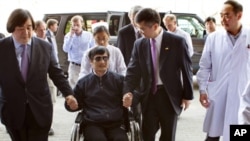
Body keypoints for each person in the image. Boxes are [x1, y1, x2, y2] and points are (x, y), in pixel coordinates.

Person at [0, 8, 78, 141]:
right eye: (20, 28)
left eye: (29, 27)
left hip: (40, 110)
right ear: (12, 28)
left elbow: (56, 72)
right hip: (12, 110)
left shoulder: (44, 47)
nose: (26, 33)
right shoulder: (2, 48)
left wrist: (69, 94)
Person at [122, 8, 193, 141]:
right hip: (148, 96)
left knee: (167, 135)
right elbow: (132, 71)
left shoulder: (177, 42)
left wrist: (187, 96)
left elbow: (186, 69)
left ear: (155, 26)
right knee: (147, 134)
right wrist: (128, 91)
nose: (140, 31)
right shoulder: (139, 44)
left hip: (169, 95)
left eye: (142, 28)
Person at [196, 1, 250, 141]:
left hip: (242, 95)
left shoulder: (249, 36)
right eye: (221, 15)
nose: (223, 19)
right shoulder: (213, 38)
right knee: (213, 135)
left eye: (227, 15)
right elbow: (205, 66)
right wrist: (202, 90)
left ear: (239, 15)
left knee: (239, 134)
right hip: (218, 94)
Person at [67, 46, 128, 141]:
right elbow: (74, 103)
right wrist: (71, 105)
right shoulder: (83, 83)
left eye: (105, 58)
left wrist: (130, 98)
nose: (102, 62)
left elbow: (132, 96)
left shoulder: (119, 80)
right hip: (93, 123)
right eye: (98, 58)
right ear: (91, 61)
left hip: (115, 123)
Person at [34, 20, 57, 136]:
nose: (43, 32)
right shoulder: (34, 43)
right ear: (35, 30)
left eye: (44, 29)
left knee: (51, 99)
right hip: (39, 75)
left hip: (50, 72)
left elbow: (54, 55)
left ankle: (48, 124)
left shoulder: (48, 40)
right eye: (40, 30)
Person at [63, 15, 95, 88]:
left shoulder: (89, 35)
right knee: (73, 88)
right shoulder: (68, 36)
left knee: (87, 86)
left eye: (78, 24)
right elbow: (65, 49)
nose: (76, 27)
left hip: (86, 65)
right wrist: (71, 36)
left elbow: (93, 49)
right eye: (74, 25)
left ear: (82, 24)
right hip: (74, 66)